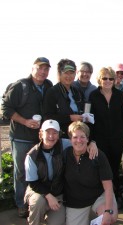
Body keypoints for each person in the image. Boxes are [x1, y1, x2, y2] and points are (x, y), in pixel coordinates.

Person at [1, 57, 53, 217]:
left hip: (40, 138)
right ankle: (21, 204)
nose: (43, 72)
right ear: (32, 68)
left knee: (41, 171)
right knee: (22, 172)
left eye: (46, 69)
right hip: (21, 137)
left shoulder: (48, 85)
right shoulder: (20, 86)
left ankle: (38, 202)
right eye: (40, 68)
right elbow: (5, 108)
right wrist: (25, 121)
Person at [89, 67, 123, 206]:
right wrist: (91, 140)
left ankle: (116, 194)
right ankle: (103, 197)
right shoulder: (93, 96)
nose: (107, 81)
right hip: (99, 139)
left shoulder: (119, 95)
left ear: (114, 80)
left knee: (114, 166)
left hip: (117, 138)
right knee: (101, 167)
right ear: (99, 80)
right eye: (104, 78)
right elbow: (89, 120)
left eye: (110, 78)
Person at [64, 121, 118, 225]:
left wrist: (107, 211)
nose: (79, 140)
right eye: (75, 137)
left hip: (97, 196)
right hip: (76, 202)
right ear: (70, 139)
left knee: (109, 218)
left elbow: (108, 187)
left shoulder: (98, 155)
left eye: (82, 137)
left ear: (88, 139)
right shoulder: (65, 154)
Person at [24, 120, 65, 225]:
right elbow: (33, 183)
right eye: (47, 132)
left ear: (59, 135)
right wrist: (48, 195)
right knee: (38, 202)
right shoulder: (32, 155)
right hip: (38, 191)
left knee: (57, 222)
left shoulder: (64, 145)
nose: (51, 136)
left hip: (58, 193)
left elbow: (80, 142)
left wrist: (92, 143)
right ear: (41, 134)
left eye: (55, 133)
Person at [43, 59, 84, 138]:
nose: (69, 76)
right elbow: (48, 117)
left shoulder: (78, 91)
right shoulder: (52, 92)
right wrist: (70, 118)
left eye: (71, 73)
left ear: (75, 74)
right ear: (59, 74)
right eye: (66, 73)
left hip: (78, 136)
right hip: (61, 137)